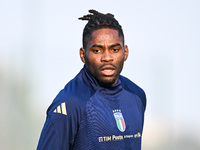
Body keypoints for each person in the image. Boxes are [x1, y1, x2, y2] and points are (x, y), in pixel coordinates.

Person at [37, 9, 146, 150]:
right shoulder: (69, 103)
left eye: (114, 49)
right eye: (97, 50)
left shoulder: (137, 95)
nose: (107, 57)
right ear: (83, 55)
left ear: (125, 52)